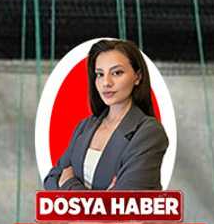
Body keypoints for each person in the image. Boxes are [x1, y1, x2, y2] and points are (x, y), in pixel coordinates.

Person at [43, 38, 168, 191]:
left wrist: (68, 183)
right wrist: (100, 200)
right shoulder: (86, 126)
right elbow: (51, 179)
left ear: (137, 77)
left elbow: (120, 206)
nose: (106, 82)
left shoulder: (148, 132)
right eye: (100, 74)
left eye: (116, 73)